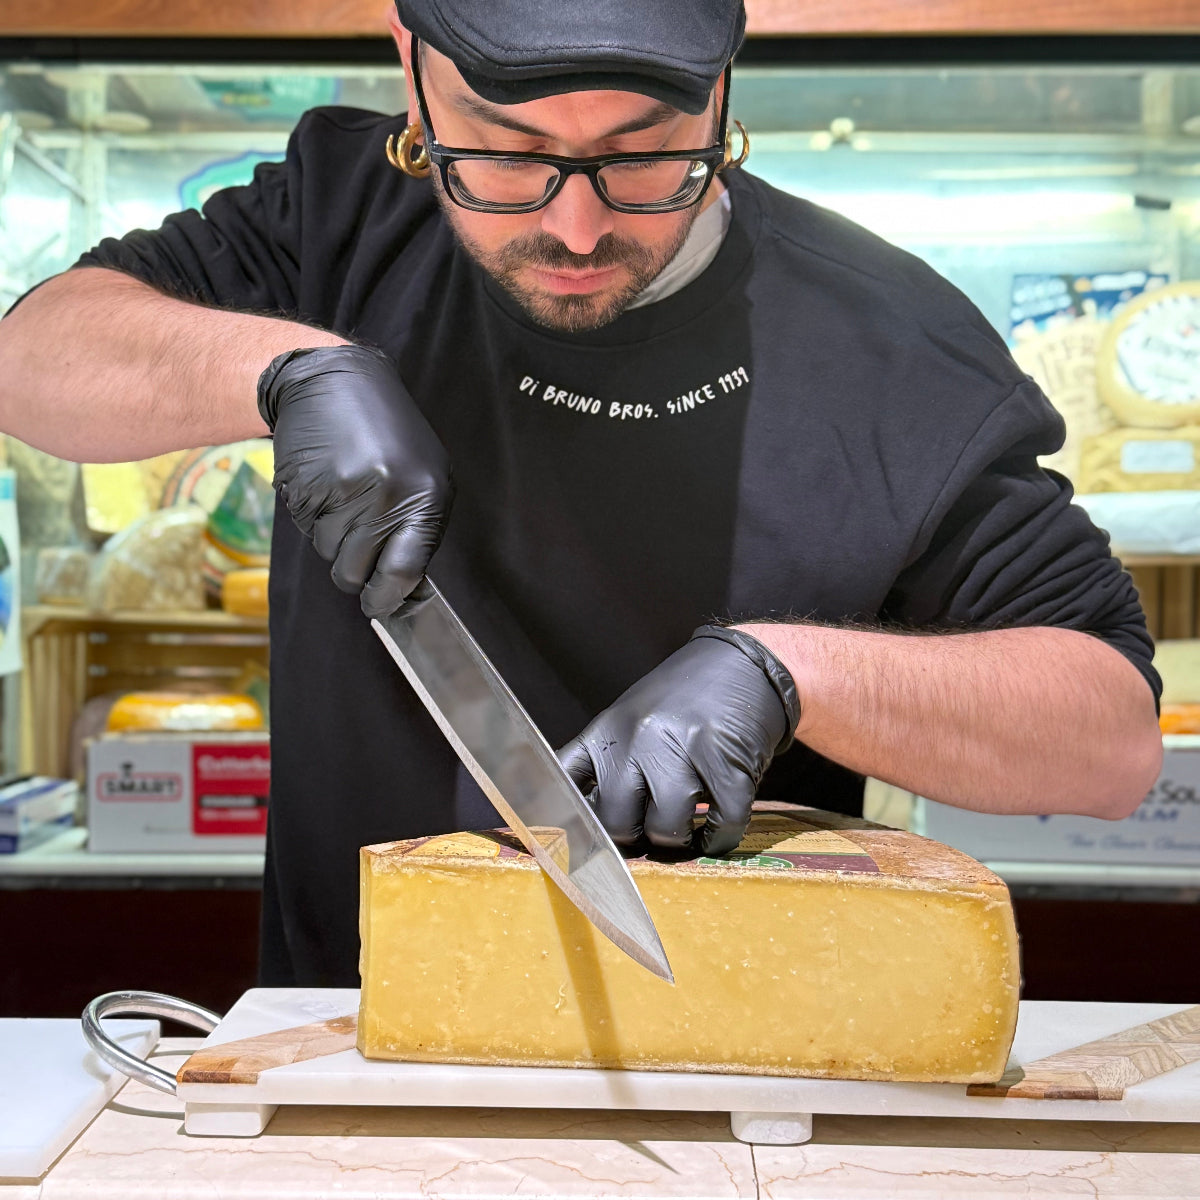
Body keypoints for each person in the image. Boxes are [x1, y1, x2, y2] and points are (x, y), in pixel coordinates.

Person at [0, 0, 1162, 988]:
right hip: (345, 1036)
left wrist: (791, 672)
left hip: (732, 1051)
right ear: (413, 74)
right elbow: (32, 360)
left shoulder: (891, 348)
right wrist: (276, 370)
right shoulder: (341, 218)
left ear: (720, 97)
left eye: (644, 154)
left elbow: (1107, 741)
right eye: (504, 154)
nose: (575, 223)